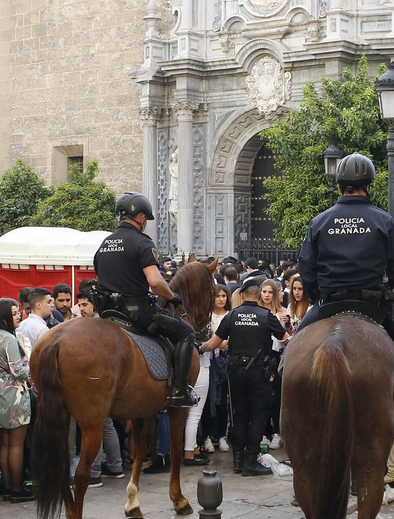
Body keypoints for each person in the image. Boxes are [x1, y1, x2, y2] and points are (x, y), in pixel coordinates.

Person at [294, 153, 394, 430]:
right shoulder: (383, 220)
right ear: (369, 185)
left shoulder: (319, 221)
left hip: (329, 304)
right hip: (374, 305)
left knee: (290, 354)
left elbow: (306, 266)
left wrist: (318, 294)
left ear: (340, 185)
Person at [91, 193, 198, 408]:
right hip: (135, 311)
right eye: (146, 219)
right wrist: (172, 297)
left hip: (106, 312)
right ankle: (178, 391)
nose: (145, 223)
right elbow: (155, 282)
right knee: (187, 332)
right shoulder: (142, 242)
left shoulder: (104, 243)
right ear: (140, 218)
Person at [199, 275, 285, 476]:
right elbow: (286, 338)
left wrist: (195, 348)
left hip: (235, 372)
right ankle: (250, 461)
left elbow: (212, 344)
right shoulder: (266, 316)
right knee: (258, 416)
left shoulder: (232, 315)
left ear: (243, 294)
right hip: (259, 373)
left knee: (238, 414)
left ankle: (237, 460)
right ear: (258, 295)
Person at [0, 298, 34, 499]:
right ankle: (17, 488)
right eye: (13, 313)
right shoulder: (10, 339)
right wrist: (31, 365)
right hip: (14, 393)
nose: (18, 315)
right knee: (17, 444)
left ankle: (6, 486)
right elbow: (19, 370)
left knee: (4, 443)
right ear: (4, 316)